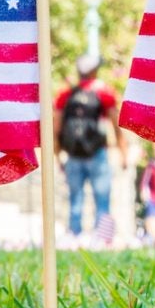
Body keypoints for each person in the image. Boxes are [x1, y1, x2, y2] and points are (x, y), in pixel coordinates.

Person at [55, 55, 125, 245]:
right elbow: (116, 125)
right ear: (94, 71)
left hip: (73, 155)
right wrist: (123, 152)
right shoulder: (104, 94)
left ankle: (74, 236)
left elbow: (56, 127)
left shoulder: (66, 95)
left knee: (75, 198)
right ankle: (102, 239)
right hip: (97, 153)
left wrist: (57, 155)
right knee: (102, 198)